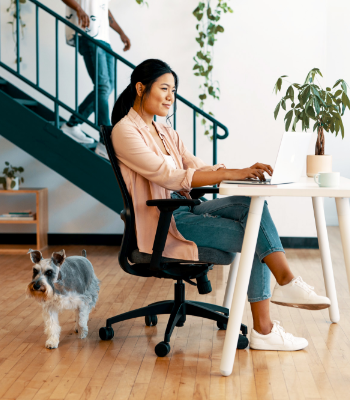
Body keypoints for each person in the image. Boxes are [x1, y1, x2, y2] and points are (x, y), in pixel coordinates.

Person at [110, 59, 331, 351]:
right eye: (163, 88)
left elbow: (196, 167)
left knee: (249, 207)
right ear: (141, 88)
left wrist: (242, 172)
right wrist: (230, 173)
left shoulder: (165, 132)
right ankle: (269, 320)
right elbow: (169, 176)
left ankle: (283, 290)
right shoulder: (125, 132)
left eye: (173, 90)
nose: (170, 97)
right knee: (254, 234)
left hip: (185, 209)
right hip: (165, 222)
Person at [61, 0, 131, 159]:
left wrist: (120, 32)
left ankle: (72, 125)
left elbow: (103, 8)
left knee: (107, 86)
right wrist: (79, 8)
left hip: (103, 38)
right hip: (87, 33)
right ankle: (105, 142)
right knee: (103, 86)